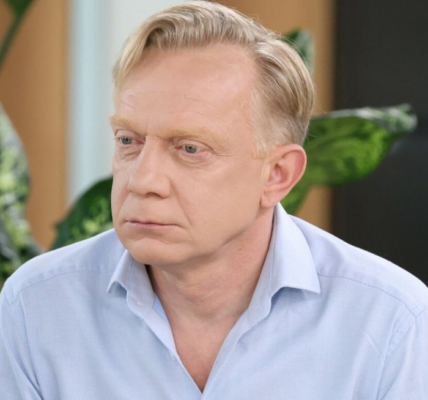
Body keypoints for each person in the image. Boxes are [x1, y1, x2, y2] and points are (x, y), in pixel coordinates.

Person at [1, 1, 427, 399]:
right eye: (129, 141)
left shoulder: (389, 322)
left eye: (190, 148)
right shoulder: (38, 307)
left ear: (278, 175)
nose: (143, 180)